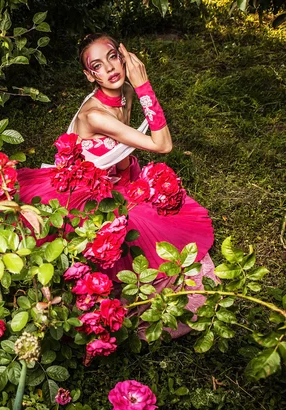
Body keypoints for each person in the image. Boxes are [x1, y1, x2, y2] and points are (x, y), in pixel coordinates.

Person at [17, 34, 216, 337]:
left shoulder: (123, 91)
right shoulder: (95, 114)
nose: (109, 68)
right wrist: (144, 85)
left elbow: (121, 147)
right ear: (89, 75)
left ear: (123, 55)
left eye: (112, 57)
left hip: (110, 179)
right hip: (81, 192)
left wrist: (129, 178)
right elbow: (162, 145)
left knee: (160, 214)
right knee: (128, 236)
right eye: (97, 65)